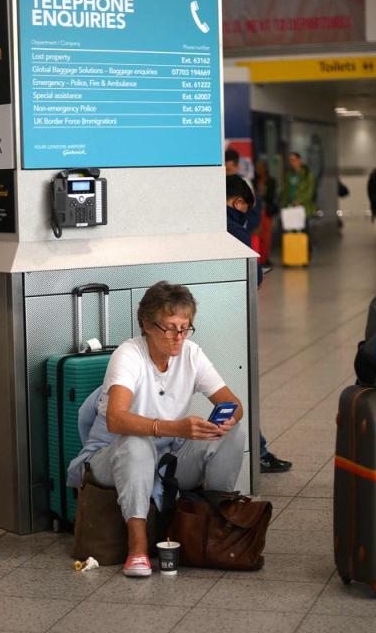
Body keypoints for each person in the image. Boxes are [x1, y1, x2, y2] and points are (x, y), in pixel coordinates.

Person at [68, 282, 248, 577]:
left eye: (185, 327)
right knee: (136, 442)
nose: (178, 337)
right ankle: (137, 547)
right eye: (169, 328)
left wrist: (225, 420)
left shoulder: (191, 353)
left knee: (232, 435)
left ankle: (215, 526)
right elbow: (116, 419)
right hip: (111, 456)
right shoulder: (128, 355)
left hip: (167, 456)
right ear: (147, 325)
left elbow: (233, 404)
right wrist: (176, 428)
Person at [225, 175, 292, 473]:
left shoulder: (200, 223)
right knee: (240, 387)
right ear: (237, 203)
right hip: (232, 322)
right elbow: (254, 275)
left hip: (197, 322)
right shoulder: (235, 230)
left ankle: (255, 449)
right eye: (243, 206)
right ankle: (256, 452)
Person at [254, 159, 278, 267]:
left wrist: (263, 195)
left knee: (267, 236)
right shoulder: (254, 181)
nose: (258, 169)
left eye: (260, 167)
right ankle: (258, 259)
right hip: (257, 211)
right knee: (257, 235)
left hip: (267, 211)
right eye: (257, 167)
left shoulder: (271, 181)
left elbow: (272, 196)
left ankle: (265, 258)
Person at [283, 152, 316, 218]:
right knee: (290, 226)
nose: (292, 162)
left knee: (301, 226)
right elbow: (286, 190)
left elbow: (309, 192)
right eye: (290, 160)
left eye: (293, 160)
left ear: (299, 160)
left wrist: (298, 200)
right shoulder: (288, 174)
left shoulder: (307, 174)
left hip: (304, 207)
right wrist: (284, 203)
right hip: (290, 206)